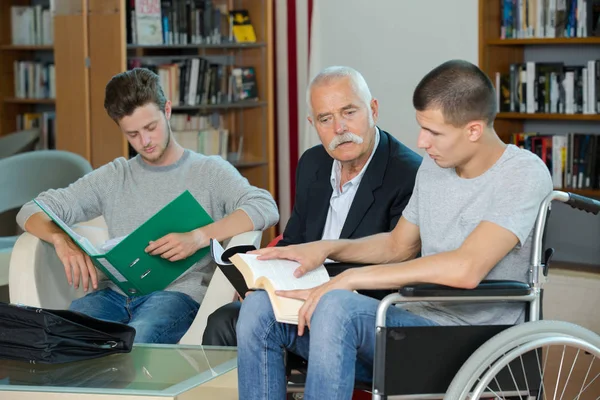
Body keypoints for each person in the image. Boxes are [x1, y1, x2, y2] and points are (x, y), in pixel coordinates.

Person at [236, 59, 553, 399]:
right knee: (259, 309)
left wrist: (350, 278)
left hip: (471, 340)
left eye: (433, 132)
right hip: (408, 327)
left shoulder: (522, 174)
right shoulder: (434, 168)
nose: (421, 142)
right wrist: (328, 249)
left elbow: (466, 269)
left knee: (337, 306)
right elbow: (397, 246)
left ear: (473, 130)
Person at [15, 68, 279, 344]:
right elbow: (31, 210)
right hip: (111, 296)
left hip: (176, 297)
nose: (145, 142)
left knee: (136, 340)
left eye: (150, 128)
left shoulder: (209, 172)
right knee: (65, 337)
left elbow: (264, 206)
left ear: (167, 110)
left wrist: (199, 236)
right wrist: (61, 239)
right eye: (133, 134)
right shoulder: (114, 176)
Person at [201, 66, 422, 347]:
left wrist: (325, 291)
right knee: (223, 321)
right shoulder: (313, 163)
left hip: (358, 303)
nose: (339, 129)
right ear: (313, 123)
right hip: (298, 292)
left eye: (349, 112)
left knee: (259, 320)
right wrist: (260, 278)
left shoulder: (408, 173)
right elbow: (294, 240)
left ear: (373, 110)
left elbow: (399, 262)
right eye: (325, 119)